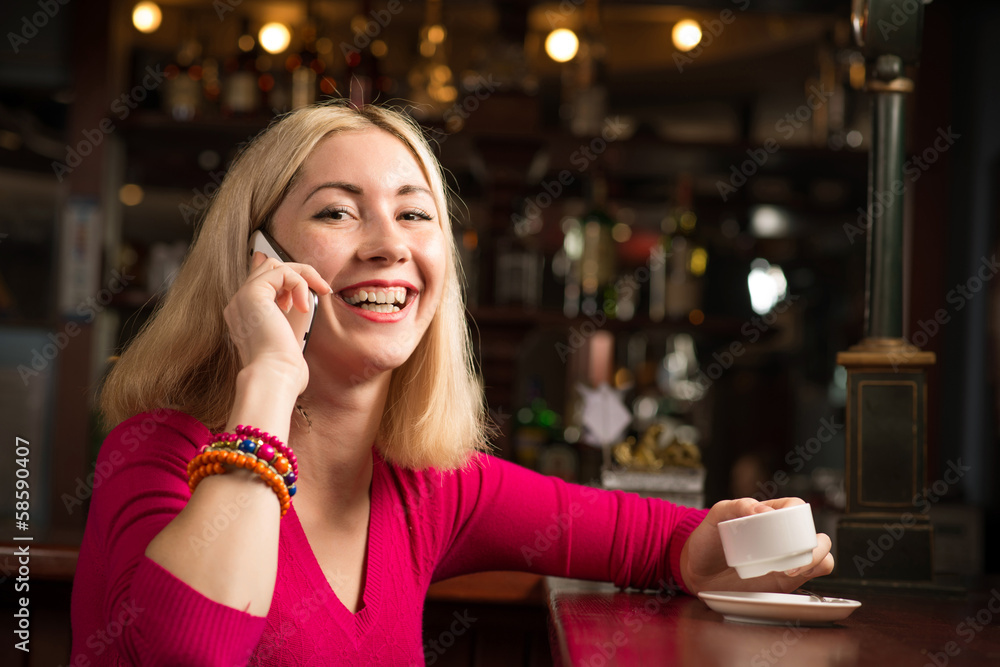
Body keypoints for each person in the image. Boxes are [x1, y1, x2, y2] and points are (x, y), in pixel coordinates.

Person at [70, 101, 834, 665]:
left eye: (414, 213)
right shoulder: (156, 451)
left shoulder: (428, 489)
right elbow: (188, 654)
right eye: (337, 211)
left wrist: (709, 550)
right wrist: (268, 373)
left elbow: (648, 539)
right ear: (255, 260)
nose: (389, 245)